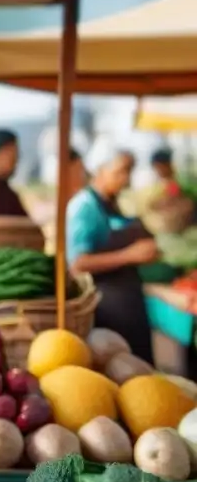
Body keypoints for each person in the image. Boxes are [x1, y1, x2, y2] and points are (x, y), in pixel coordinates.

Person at [67, 149, 157, 363]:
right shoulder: (84, 207)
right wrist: (130, 255)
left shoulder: (111, 203)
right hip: (108, 310)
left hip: (130, 306)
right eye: (120, 171)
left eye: (129, 172)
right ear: (100, 169)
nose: (125, 179)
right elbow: (78, 263)